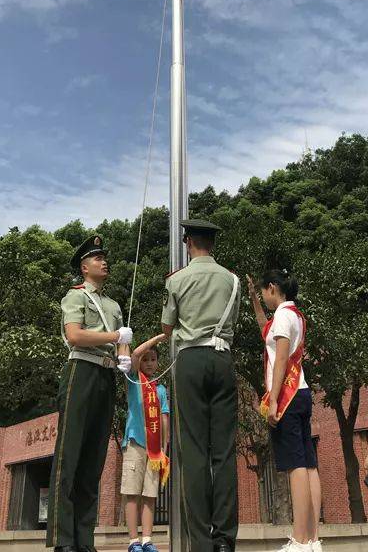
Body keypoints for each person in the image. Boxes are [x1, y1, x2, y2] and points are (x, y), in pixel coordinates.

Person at [46, 235, 134, 552]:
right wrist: (116, 336)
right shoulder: (75, 296)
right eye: (97, 258)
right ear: (85, 267)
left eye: (104, 257)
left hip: (105, 375)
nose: (104, 261)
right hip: (80, 372)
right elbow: (75, 335)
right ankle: (63, 541)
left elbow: (123, 340)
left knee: (93, 462)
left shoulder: (113, 305)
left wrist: (124, 355)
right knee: (69, 457)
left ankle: (85, 541)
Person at [161, 219, 241, 552]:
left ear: (188, 242)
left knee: (193, 451)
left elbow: (167, 328)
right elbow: (233, 322)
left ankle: (202, 543)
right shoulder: (232, 280)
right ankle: (225, 540)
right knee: (223, 452)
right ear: (212, 244)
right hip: (223, 359)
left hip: (191, 361)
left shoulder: (177, 281)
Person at [247, 270, 322, 552]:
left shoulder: (282, 316)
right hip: (301, 393)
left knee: (296, 466)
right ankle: (313, 540)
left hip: (287, 398)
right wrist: (253, 301)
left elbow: (279, 361)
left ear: (273, 288)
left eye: (263, 292)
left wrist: (274, 400)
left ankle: (300, 540)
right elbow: (265, 331)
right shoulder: (295, 315)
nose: (264, 298)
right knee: (309, 465)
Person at [121, 333, 170, 552]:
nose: (149, 363)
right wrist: (157, 339)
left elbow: (164, 419)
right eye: (146, 359)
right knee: (132, 493)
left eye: (153, 359)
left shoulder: (161, 390)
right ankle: (133, 541)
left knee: (150, 495)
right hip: (134, 443)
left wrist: (164, 449)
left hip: (154, 451)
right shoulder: (133, 380)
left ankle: (147, 540)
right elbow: (134, 354)